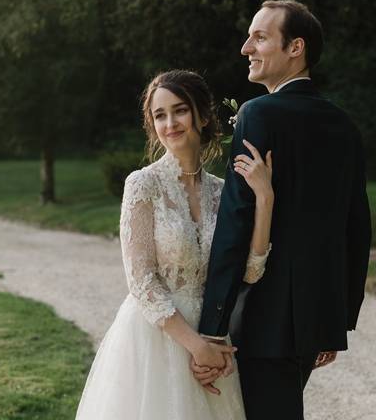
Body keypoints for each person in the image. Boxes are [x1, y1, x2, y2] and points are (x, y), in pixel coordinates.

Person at [195, 0, 372, 420]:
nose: (245, 48)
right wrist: (338, 318)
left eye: (259, 37)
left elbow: (236, 221)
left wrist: (213, 325)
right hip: (313, 322)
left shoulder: (259, 115)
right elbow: (356, 227)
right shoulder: (343, 125)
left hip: (262, 320)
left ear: (296, 47)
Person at [76, 69, 274, 420]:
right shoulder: (142, 185)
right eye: (159, 115)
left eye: (179, 110)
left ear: (202, 115)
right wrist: (196, 347)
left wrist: (264, 198)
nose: (170, 123)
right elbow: (142, 281)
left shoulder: (222, 192)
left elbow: (249, 271)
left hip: (212, 334)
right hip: (156, 339)